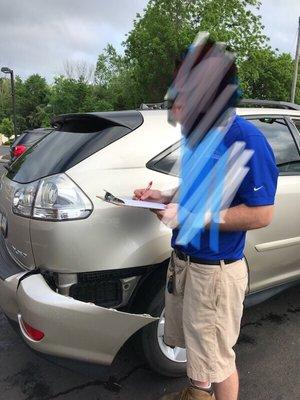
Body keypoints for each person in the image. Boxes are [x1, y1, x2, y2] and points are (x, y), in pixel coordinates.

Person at [134, 110, 278, 400]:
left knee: (218, 360)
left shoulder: (247, 139)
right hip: (184, 264)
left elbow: (261, 213)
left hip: (213, 273)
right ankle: (197, 394)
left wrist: (191, 216)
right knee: (198, 348)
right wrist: (163, 198)